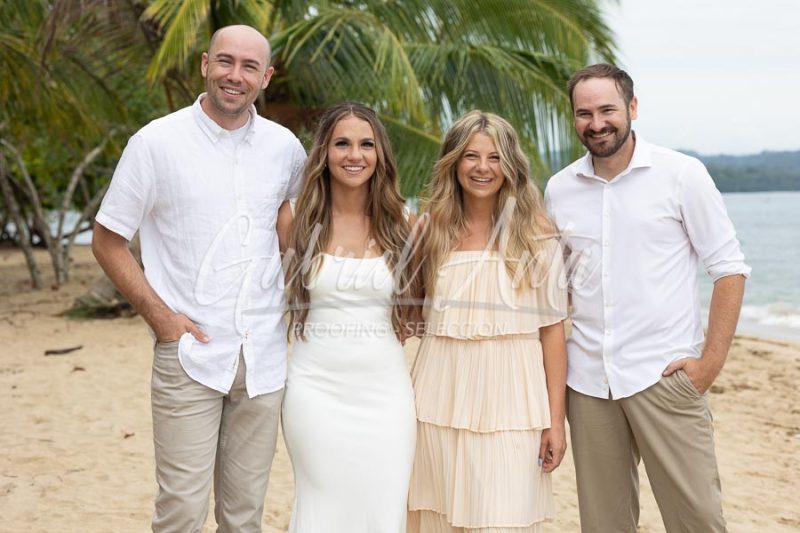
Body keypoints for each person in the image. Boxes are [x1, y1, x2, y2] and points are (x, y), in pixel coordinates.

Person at [91, 25, 306, 532]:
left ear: (266, 77)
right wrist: (163, 321)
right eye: (226, 62)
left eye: (249, 66)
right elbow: (107, 240)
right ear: (205, 64)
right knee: (181, 511)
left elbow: (292, 235)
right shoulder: (155, 143)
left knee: (244, 515)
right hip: (189, 356)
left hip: (263, 361)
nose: (236, 75)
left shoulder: (285, 149)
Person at [544, 63, 750, 533]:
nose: (596, 123)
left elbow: (729, 269)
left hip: (664, 376)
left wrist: (709, 363)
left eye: (607, 110)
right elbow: (556, 287)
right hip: (589, 383)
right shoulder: (559, 189)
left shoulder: (682, 175)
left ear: (632, 108)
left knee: (697, 519)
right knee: (604, 525)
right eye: (584, 113)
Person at [407, 111, 569, 532]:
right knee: (436, 517)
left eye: (495, 157)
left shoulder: (537, 232)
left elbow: (552, 332)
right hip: (437, 399)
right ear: (453, 162)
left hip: (514, 402)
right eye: (471, 156)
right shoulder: (430, 230)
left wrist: (555, 421)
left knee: (505, 517)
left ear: (510, 165)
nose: (482, 168)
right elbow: (407, 314)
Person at [277, 102, 418, 532]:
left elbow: (418, 310)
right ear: (324, 152)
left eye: (365, 144)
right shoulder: (295, 219)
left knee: (382, 510)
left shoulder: (403, 223)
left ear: (380, 155)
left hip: (386, 394)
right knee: (322, 509)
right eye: (342, 143)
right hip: (314, 391)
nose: (354, 155)